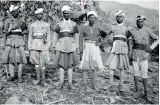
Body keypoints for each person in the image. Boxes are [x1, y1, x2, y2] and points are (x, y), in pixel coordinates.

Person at [128, 15, 159, 100]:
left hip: (144, 55)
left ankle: (146, 92)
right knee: (135, 72)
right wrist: (129, 54)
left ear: (143, 22)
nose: (140, 23)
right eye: (138, 21)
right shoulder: (132, 31)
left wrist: (151, 48)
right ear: (136, 22)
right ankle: (136, 88)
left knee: (144, 73)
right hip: (135, 54)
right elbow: (130, 44)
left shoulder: (148, 30)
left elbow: (158, 39)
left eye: (141, 21)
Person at [52, 5, 79, 90]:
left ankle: (70, 84)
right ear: (63, 14)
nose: (67, 15)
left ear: (70, 14)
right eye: (65, 13)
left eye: (68, 13)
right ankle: (61, 83)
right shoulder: (59, 24)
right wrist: (54, 46)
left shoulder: (74, 24)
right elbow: (55, 36)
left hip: (71, 45)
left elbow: (76, 36)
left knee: (70, 65)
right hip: (61, 46)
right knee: (61, 65)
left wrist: (77, 46)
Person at [79, 11, 107, 90]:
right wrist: (81, 51)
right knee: (85, 66)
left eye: (93, 18)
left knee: (94, 66)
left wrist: (99, 41)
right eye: (90, 18)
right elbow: (80, 39)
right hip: (86, 47)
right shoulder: (84, 28)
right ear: (88, 19)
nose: (92, 20)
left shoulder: (98, 28)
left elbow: (105, 35)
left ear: (95, 19)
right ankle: (85, 85)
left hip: (95, 47)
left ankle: (93, 85)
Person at [105, 10, 131, 93]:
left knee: (122, 67)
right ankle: (111, 83)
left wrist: (129, 50)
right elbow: (107, 36)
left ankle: (121, 85)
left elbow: (129, 39)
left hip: (123, 48)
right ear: (116, 17)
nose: (119, 18)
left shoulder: (127, 27)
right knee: (111, 65)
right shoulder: (112, 27)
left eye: (121, 16)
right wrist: (109, 45)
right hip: (114, 48)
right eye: (118, 16)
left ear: (123, 18)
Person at [2, 5, 27, 83]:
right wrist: (4, 43)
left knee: (21, 59)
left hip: (19, 42)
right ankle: (12, 76)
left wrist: (25, 42)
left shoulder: (22, 21)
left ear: (18, 12)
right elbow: (5, 33)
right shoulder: (7, 21)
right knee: (10, 59)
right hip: (10, 42)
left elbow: (25, 33)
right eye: (13, 12)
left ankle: (20, 77)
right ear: (11, 13)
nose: (15, 13)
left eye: (16, 11)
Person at [28, 8, 51, 86]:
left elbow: (48, 37)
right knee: (36, 63)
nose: (39, 15)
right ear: (35, 15)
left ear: (43, 15)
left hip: (43, 45)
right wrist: (29, 47)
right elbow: (30, 37)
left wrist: (48, 46)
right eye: (38, 14)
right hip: (34, 45)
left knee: (43, 63)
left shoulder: (46, 25)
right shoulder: (32, 25)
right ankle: (38, 79)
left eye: (41, 14)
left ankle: (43, 81)